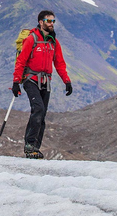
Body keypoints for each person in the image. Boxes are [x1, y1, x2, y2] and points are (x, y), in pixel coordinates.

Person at [12, 10, 72, 159]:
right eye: (49, 21)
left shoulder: (53, 42)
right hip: (30, 79)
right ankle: (29, 145)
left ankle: (35, 148)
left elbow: (59, 63)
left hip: (46, 81)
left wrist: (67, 81)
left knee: (42, 114)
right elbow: (21, 60)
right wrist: (16, 82)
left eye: (53, 21)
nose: (52, 24)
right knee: (38, 109)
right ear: (41, 22)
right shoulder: (32, 39)